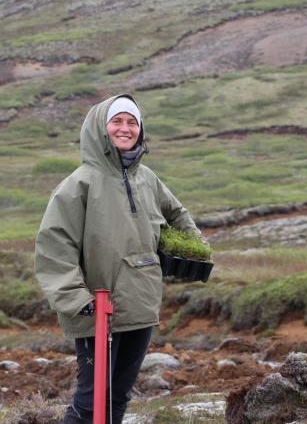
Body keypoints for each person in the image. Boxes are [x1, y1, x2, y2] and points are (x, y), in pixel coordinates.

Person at [35, 94, 202, 423]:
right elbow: (54, 245)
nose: (125, 128)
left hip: (140, 304)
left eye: (132, 122)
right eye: (117, 121)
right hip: (97, 310)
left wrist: (194, 248)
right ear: (100, 128)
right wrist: (74, 297)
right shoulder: (78, 184)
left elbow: (177, 215)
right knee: (90, 401)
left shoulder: (147, 178)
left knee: (117, 397)